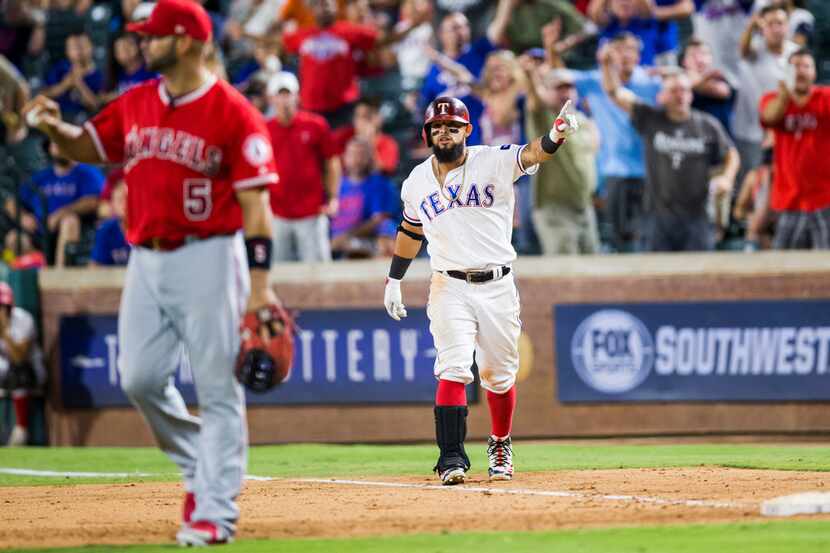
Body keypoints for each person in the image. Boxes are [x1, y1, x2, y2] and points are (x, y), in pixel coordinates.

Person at [23, 0, 279, 545]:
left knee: (217, 389)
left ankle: (215, 513)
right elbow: (87, 145)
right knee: (137, 377)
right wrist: (52, 124)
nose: (142, 43)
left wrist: (260, 289)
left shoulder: (233, 112)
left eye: (153, 36)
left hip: (210, 254)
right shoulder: (137, 100)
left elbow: (258, 210)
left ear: (185, 41)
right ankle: (197, 465)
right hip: (146, 257)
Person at [382, 95, 579, 485]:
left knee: (500, 376)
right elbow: (410, 231)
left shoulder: (492, 159)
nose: (444, 132)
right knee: (453, 367)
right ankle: (451, 457)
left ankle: (500, 442)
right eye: (437, 127)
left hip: (497, 284)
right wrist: (394, 278)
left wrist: (555, 135)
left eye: (452, 126)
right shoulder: (416, 181)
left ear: (467, 131)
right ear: (426, 134)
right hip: (448, 284)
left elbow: (532, 153)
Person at [602, 57, 740, 251]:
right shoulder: (651, 118)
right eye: (673, 91)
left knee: (700, 274)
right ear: (662, 96)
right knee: (657, 276)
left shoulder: (706, 124)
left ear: (691, 95)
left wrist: (727, 178)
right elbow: (615, 93)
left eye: (684, 90)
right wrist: (608, 65)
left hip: (697, 217)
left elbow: (731, 154)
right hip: (658, 217)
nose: (680, 96)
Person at [523, 65, 600, 254]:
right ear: (545, 92)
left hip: (585, 207)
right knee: (564, 273)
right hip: (555, 210)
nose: (565, 93)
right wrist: (531, 76)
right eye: (558, 88)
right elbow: (534, 101)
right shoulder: (543, 116)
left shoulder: (580, 119)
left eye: (569, 88)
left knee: (595, 272)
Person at [266, 71, 341, 262]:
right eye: (280, 94)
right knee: (278, 274)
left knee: (318, 274)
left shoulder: (316, 125)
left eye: (288, 94)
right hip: (277, 213)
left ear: (297, 96)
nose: (285, 100)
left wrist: (332, 197)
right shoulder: (264, 129)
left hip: (312, 211)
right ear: (271, 98)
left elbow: (332, 161)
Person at [760, 49, 830, 250]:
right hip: (789, 198)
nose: (800, 71)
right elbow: (769, 118)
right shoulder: (772, 99)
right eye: (795, 66)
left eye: (806, 66)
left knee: (825, 265)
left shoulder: (825, 97)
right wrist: (784, 95)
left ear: (814, 73)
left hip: (825, 198)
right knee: (783, 268)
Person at [5, 140, 103, 267]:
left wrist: (61, 214)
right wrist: (23, 217)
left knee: (69, 221)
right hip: (39, 232)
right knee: (13, 238)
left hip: (75, 231)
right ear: (50, 149)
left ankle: (59, 275)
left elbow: (93, 201)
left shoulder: (87, 172)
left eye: (63, 143)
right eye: (55, 144)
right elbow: (10, 202)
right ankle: (34, 275)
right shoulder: (42, 176)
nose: (59, 147)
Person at [0, 283, 46, 447]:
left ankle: (21, 429)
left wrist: (4, 332)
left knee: (18, 371)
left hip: (31, 370)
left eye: (2, 306)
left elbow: (19, 357)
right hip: (4, 367)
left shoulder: (22, 318)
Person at [90, 178, 130, 266]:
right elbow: (95, 267)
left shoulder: (147, 229)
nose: (124, 204)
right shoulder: (105, 231)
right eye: (119, 200)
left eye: (127, 199)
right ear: (113, 205)